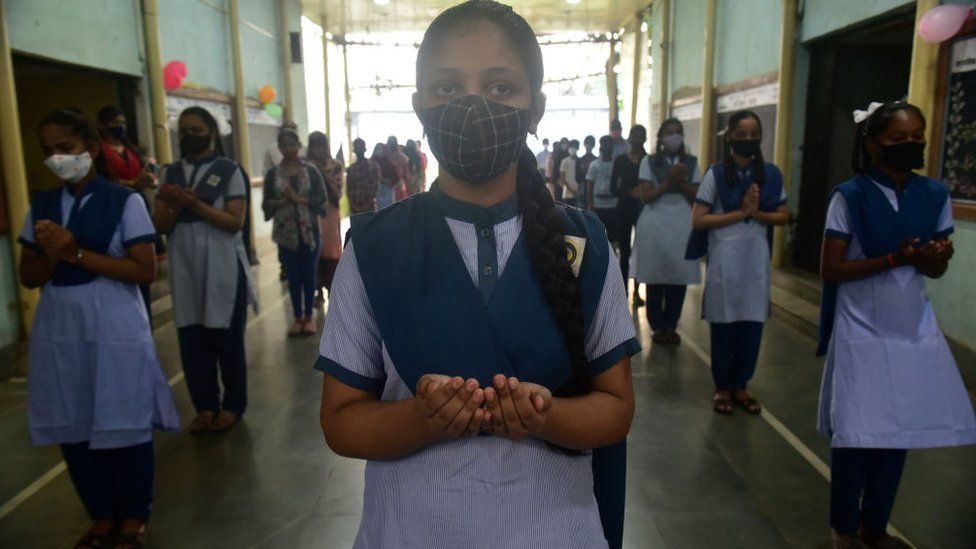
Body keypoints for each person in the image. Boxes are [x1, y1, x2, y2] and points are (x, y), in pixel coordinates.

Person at [316, 2, 639, 548]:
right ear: (420, 106)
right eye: (447, 89)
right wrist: (423, 419)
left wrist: (544, 417)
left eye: (500, 88)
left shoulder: (581, 246)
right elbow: (341, 420)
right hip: (410, 532)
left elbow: (615, 410)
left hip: (554, 531)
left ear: (535, 108)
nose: (471, 106)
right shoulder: (373, 248)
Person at [817, 101, 976, 549]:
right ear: (872, 143)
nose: (910, 146)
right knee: (858, 432)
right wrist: (895, 258)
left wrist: (932, 260)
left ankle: (875, 525)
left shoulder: (934, 195)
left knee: (897, 430)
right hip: (860, 326)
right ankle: (843, 528)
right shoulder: (850, 196)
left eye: (917, 139)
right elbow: (832, 269)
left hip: (911, 326)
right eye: (897, 140)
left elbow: (935, 271)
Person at [18, 108, 179, 548]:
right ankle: (101, 512)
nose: (56, 158)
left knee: (123, 413)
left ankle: (133, 512)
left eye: (65, 149)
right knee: (75, 419)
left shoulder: (123, 201)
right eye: (48, 151)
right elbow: (29, 275)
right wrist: (54, 255)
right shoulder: (44, 205)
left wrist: (75, 254)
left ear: (90, 150)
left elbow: (143, 269)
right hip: (62, 326)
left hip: (114, 322)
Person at [153, 106, 257, 433]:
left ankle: (233, 404)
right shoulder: (171, 173)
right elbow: (160, 223)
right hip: (185, 266)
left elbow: (234, 222)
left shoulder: (229, 170)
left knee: (226, 339)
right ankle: (205, 405)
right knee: (192, 336)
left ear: (211, 132)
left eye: (196, 129)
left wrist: (192, 204)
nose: (189, 135)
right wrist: (173, 204)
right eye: (184, 130)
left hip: (222, 264)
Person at [688, 110, 789, 415]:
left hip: (755, 262)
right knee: (724, 325)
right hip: (725, 262)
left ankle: (741, 386)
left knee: (751, 325)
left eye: (753, 133)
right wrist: (741, 213)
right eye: (741, 133)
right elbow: (699, 219)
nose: (748, 139)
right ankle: (722, 387)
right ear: (730, 136)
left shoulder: (770, 174)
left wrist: (756, 214)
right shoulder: (716, 174)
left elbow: (784, 215)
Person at [633, 118, 701, 345]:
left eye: (678, 132)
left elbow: (696, 197)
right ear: (661, 138)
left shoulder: (691, 163)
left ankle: (671, 325)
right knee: (656, 276)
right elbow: (647, 196)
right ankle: (657, 326)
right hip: (655, 223)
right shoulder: (649, 161)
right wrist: (669, 180)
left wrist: (681, 182)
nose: (674, 136)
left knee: (677, 277)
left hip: (682, 223)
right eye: (669, 132)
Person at [96, 105, 159, 322]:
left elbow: (145, 175)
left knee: (143, 264)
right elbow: (104, 182)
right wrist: (133, 183)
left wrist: (149, 180)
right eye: (114, 123)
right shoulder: (99, 152)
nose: (119, 127)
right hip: (112, 208)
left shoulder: (131, 150)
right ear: (101, 126)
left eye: (122, 122)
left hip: (137, 206)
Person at [264, 129, 328, 335]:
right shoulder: (273, 173)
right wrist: (282, 201)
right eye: (284, 145)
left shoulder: (311, 171)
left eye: (293, 145)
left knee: (309, 275)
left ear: (299, 146)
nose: (289, 149)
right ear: (279, 148)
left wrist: (300, 199)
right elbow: (266, 203)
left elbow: (321, 199)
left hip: (309, 232)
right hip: (286, 234)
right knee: (292, 276)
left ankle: (309, 316)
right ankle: (297, 317)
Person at [610, 125, 647, 306]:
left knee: (640, 251)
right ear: (629, 137)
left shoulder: (649, 160)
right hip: (624, 208)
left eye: (641, 135)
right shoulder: (621, 160)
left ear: (646, 138)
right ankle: (623, 291)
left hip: (644, 210)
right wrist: (628, 192)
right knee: (624, 251)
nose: (638, 138)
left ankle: (638, 292)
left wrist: (644, 192)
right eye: (635, 135)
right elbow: (613, 188)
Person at [306, 131, 344, 303]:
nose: (317, 150)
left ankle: (332, 289)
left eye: (320, 146)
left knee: (331, 252)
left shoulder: (335, 165)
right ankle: (318, 291)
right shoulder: (306, 166)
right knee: (315, 251)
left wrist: (320, 174)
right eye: (314, 147)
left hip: (329, 211)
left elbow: (337, 191)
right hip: (311, 213)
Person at [346, 138, 382, 214]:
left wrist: (357, 206)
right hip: (364, 207)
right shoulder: (374, 167)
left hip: (364, 207)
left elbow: (375, 189)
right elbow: (349, 190)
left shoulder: (351, 169)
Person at [587, 135, 616, 224]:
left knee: (612, 234)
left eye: (609, 145)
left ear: (613, 147)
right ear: (600, 147)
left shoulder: (616, 164)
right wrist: (590, 205)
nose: (607, 147)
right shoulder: (594, 165)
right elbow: (590, 186)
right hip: (598, 205)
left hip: (613, 204)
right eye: (604, 144)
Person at [558, 138, 580, 203]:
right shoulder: (564, 161)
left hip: (579, 193)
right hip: (567, 194)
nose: (573, 149)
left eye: (575, 147)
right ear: (568, 148)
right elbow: (562, 179)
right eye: (571, 147)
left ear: (578, 148)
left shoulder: (580, 161)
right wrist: (572, 191)